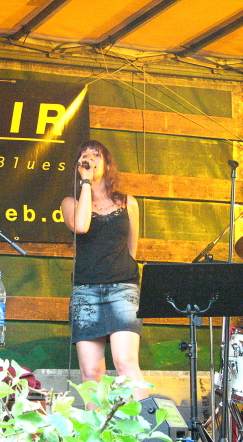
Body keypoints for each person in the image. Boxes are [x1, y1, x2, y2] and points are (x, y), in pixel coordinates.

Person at [60, 139, 148, 402]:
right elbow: (82, 226)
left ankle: (144, 426)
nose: (89, 158)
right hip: (86, 291)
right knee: (92, 372)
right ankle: (99, 429)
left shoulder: (128, 203)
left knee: (125, 363)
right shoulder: (70, 202)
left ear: (107, 163)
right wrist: (86, 183)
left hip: (123, 289)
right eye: (84, 155)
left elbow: (132, 249)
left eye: (96, 154)